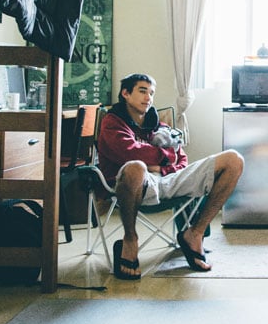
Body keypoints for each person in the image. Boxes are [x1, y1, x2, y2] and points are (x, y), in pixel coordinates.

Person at [97, 73, 244, 280]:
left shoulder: (158, 124)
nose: (148, 97)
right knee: (135, 167)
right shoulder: (113, 122)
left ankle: (195, 233)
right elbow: (130, 153)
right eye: (142, 91)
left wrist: (160, 166)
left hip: (168, 180)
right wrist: (164, 158)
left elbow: (181, 159)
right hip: (133, 185)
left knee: (233, 160)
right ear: (125, 94)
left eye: (151, 93)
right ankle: (130, 239)